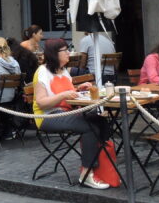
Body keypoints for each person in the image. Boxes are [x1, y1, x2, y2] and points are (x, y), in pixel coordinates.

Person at [33, 37, 111, 189]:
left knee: (100, 120)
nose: (69, 53)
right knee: (89, 127)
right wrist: (64, 95)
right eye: (65, 50)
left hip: (67, 112)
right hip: (47, 116)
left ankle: (103, 166)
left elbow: (67, 93)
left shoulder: (63, 71)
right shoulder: (42, 72)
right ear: (54, 54)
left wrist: (78, 89)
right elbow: (41, 102)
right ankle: (86, 174)